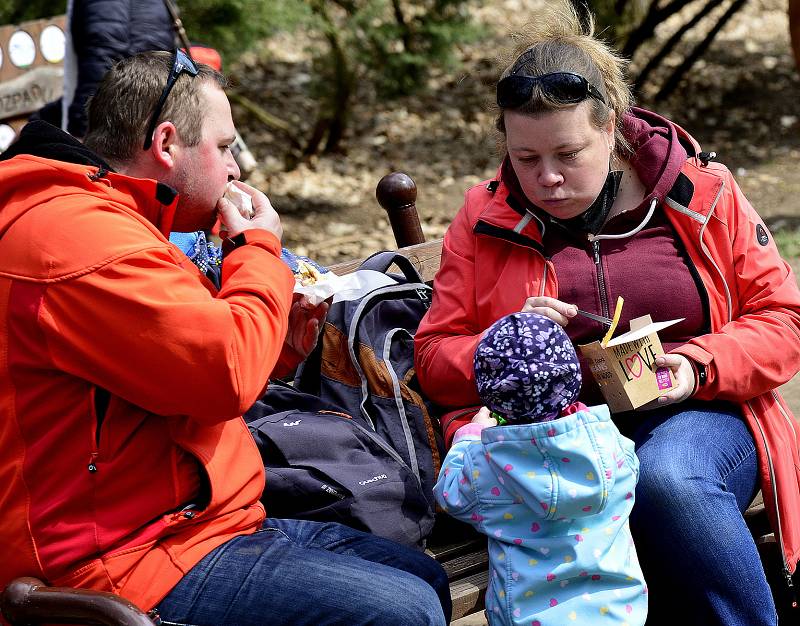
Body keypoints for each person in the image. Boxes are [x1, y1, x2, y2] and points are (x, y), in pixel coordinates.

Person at [0, 50, 450, 625]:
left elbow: (177, 369)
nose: (238, 170)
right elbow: (222, 374)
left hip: (201, 524)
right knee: (401, 612)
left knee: (423, 577)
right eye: (224, 147)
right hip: (120, 562)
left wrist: (284, 340)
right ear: (166, 144)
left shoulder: (115, 217)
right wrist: (257, 251)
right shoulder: (81, 239)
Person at [413, 3, 800, 625]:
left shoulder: (701, 195)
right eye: (525, 158)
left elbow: (783, 319)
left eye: (568, 153)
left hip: (698, 416)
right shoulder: (483, 220)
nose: (547, 178)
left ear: (613, 130)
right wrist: (510, 342)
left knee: (667, 480)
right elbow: (433, 359)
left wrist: (695, 365)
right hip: (549, 444)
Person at [434, 312, 647, 625]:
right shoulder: (606, 441)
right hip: (619, 613)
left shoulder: (487, 466)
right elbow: (631, 470)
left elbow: (450, 495)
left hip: (527, 617)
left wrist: (468, 439)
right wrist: (582, 421)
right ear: (571, 376)